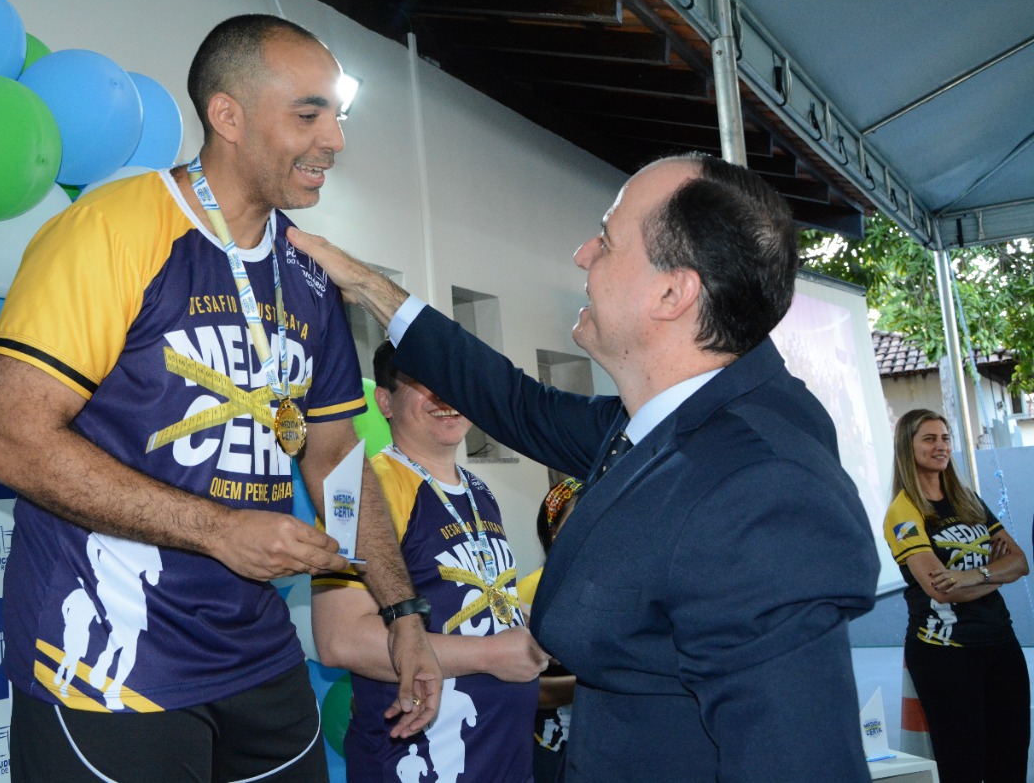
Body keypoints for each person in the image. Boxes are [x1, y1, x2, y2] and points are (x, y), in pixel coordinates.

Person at [288, 151, 881, 780]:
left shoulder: (758, 488)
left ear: (673, 293)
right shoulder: (671, 422)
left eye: (606, 240)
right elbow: (517, 403)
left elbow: (797, 759)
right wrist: (375, 290)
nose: (581, 255)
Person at [0, 13, 441, 782]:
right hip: (109, 658)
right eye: (308, 113)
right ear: (227, 115)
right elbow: (13, 439)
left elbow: (335, 462)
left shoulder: (311, 275)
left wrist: (402, 613)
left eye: (338, 114)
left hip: (257, 654)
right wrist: (219, 529)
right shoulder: (110, 229)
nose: (335, 140)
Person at [313, 341, 546, 781]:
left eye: (454, 383)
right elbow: (339, 639)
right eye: (424, 383)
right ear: (384, 400)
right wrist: (492, 654)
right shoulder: (361, 490)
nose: (446, 397)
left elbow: (463, 606)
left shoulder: (480, 493)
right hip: (419, 765)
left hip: (501, 760)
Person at [882, 409, 1029, 782]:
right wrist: (994, 575)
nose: (941, 446)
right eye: (929, 439)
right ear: (907, 447)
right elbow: (939, 589)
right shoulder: (903, 511)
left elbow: (1020, 562)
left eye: (945, 438)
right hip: (945, 656)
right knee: (964, 768)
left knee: (1010, 762)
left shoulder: (967, 499)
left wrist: (970, 576)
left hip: (1000, 644)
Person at [516, 478, 582, 782]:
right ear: (553, 531)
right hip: (546, 749)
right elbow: (530, 690)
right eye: (578, 522)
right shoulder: (532, 593)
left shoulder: (609, 592)